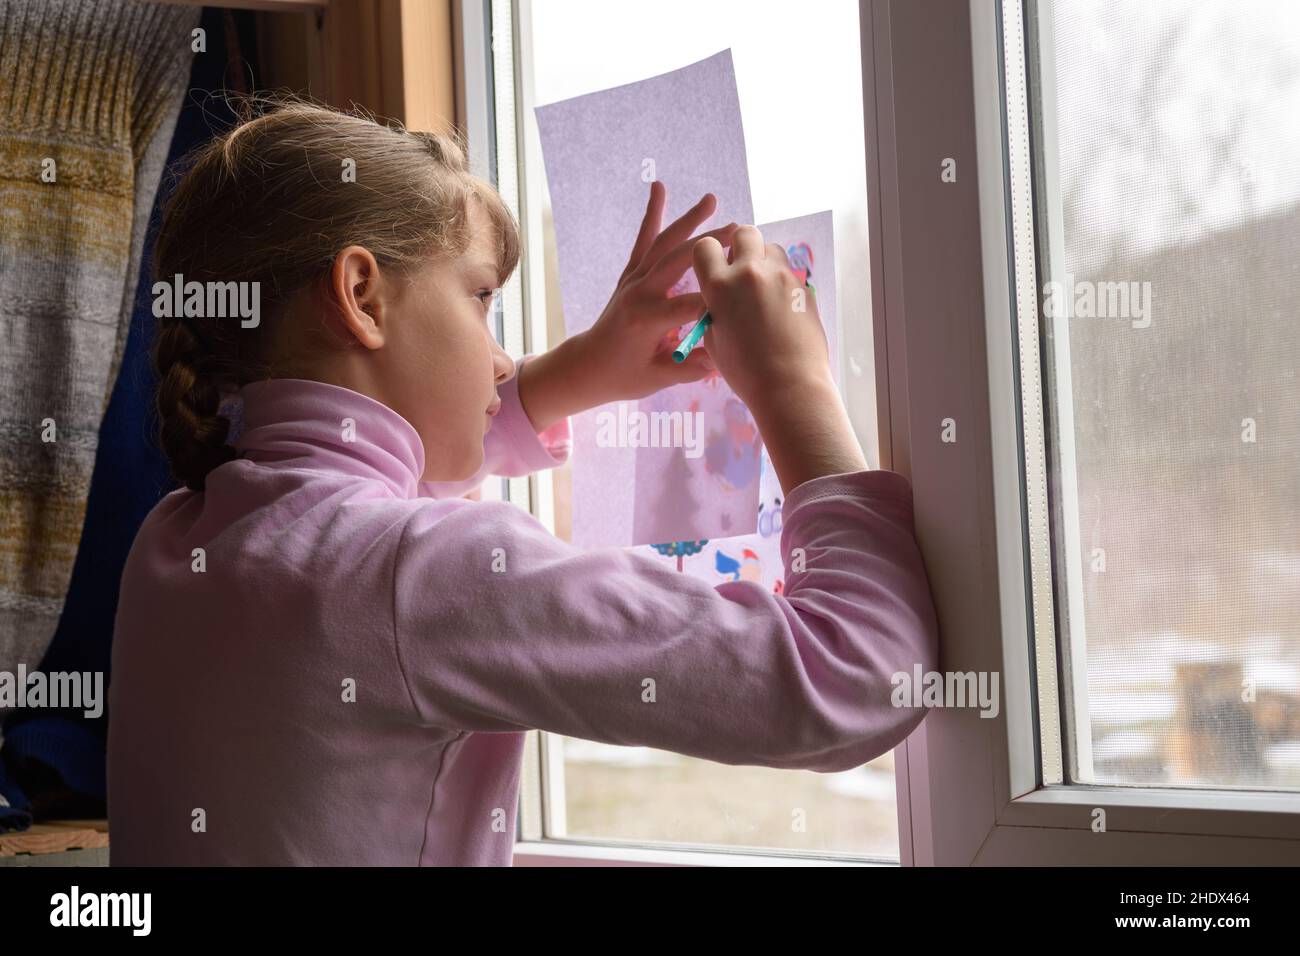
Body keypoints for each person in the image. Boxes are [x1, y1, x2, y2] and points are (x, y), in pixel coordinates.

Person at [106, 97, 939, 866]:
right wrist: (795, 388)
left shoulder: (182, 537)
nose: (500, 356)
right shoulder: (422, 572)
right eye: (480, 298)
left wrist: (580, 373)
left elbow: (357, 497)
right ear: (361, 295)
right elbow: (850, 677)